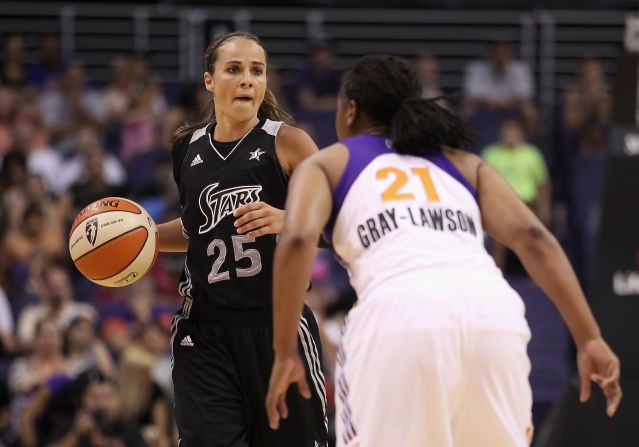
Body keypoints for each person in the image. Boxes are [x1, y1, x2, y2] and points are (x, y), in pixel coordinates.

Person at [266, 54, 622, 447]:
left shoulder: (329, 162)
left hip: (399, 315)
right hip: (492, 315)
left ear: (349, 111)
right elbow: (534, 238)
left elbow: (299, 239)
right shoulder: (463, 163)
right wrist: (589, 337)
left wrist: (285, 352)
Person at [156, 31, 327, 447]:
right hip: (205, 329)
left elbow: (339, 223)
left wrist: (288, 220)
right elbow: (197, 229)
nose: (247, 79)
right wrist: (140, 238)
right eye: (234, 69)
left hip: (276, 324)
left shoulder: (288, 142)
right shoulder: (187, 149)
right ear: (209, 80)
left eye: (257, 70)